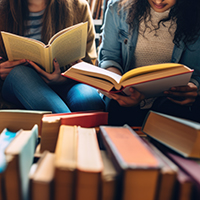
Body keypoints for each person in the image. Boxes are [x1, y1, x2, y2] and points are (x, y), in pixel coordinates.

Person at [98, 0, 200, 126]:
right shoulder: (118, 8)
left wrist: (192, 88)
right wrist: (118, 87)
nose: (158, 1)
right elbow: (109, 57)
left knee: (175, 110)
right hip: (125, 98)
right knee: (116, 107)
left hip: (168, 101)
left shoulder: (195, 15)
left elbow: (194, 72)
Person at [0, 0, 105, 113]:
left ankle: (66, 126)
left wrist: (62, 78)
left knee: (88, 100)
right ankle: (67, 128)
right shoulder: (3, 9)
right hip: (17, 83)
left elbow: (88, 64)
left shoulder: (79, 7)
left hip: (67, 82)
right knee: (20, 73)